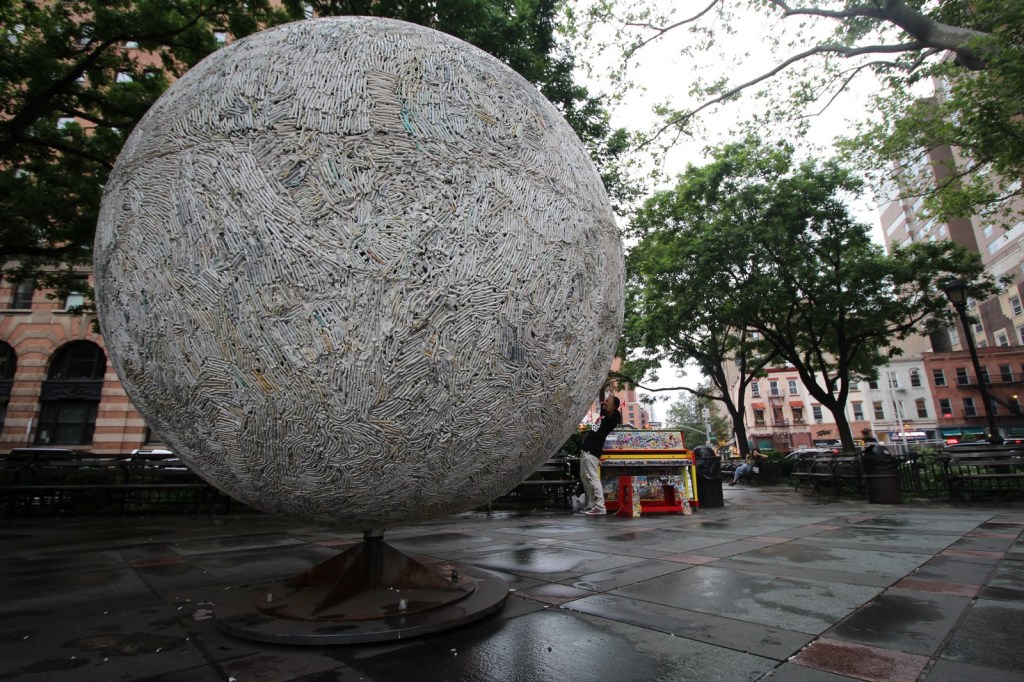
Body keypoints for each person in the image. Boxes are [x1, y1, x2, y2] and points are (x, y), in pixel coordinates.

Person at [579, 395, 622, 515]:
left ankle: (600, 506)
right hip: (586, 449)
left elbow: (614, 417)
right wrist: (604, 403)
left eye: (609, 401)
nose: (606, 402)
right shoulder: (603, 414)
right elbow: (602, 402)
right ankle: (591, 504)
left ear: (614, 406)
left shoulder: (613, 418)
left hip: (592, 450)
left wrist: (609, 408)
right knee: (585, 478)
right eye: (606, 400)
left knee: (593, 478)